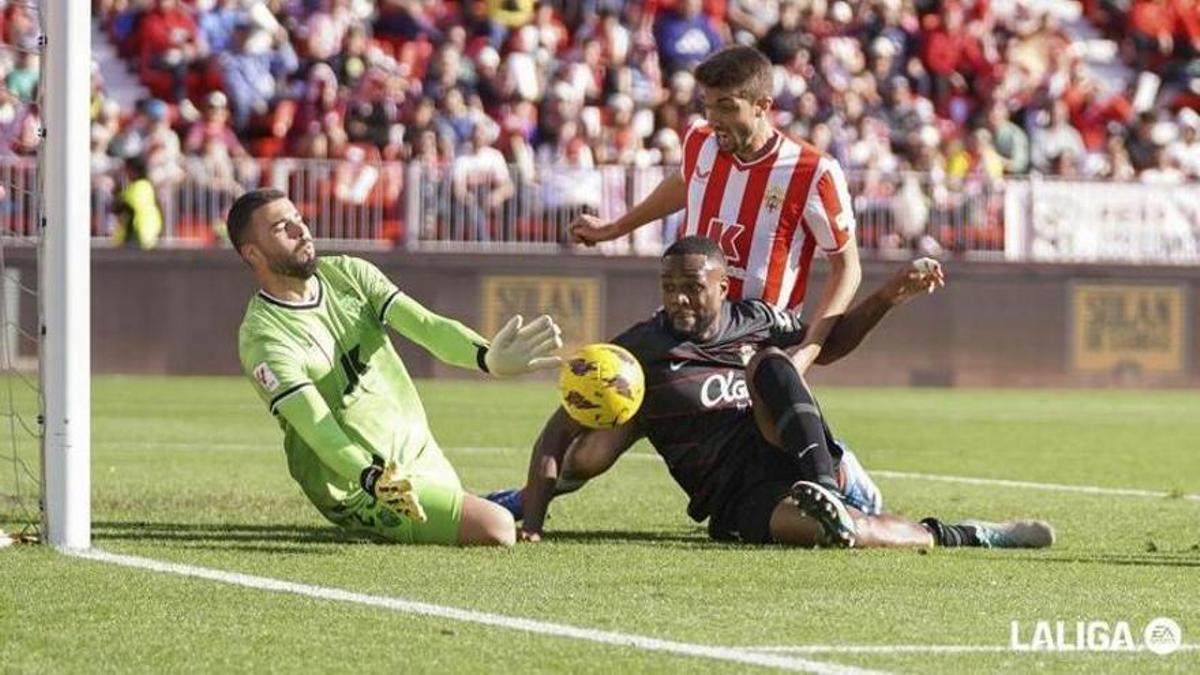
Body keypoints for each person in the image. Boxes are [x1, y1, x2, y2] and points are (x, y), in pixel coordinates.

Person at [509, 237, 1053, 550]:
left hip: (783, 449)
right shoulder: (636, 354)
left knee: (772, 363)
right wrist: (532, 526)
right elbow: (557, 434)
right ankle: (965, 534)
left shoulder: (756, 320)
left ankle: (827, 483)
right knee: (841, 536)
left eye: (693, 287)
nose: (679, 299)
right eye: (669, 287)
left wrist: (887, 295)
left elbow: (828, 345)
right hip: (732, 500)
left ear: (723, 286)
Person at [228, 188, 563, 547]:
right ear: (253, 253)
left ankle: (494, 502)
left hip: (416, 451)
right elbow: (316, 428)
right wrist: (368, 476)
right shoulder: (263, 338)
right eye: (282, 227)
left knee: (481, 513)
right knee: (497, 529)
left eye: (299, 219)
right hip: (354, 483)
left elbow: (427, 326)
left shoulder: (349, 273)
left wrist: (486, 357)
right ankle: (501, 504)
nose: (301, 231)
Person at [569, 45, 861, 381]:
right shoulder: (700, 140)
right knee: (602, 388)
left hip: (758, 344)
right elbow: (685, 183)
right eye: (707, 105)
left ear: (762, 106)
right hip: (688, 328)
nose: (713, 119)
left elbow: (846, 267)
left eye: (726, 106)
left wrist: (806, 353)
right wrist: (615, 228)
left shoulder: (813, 171)